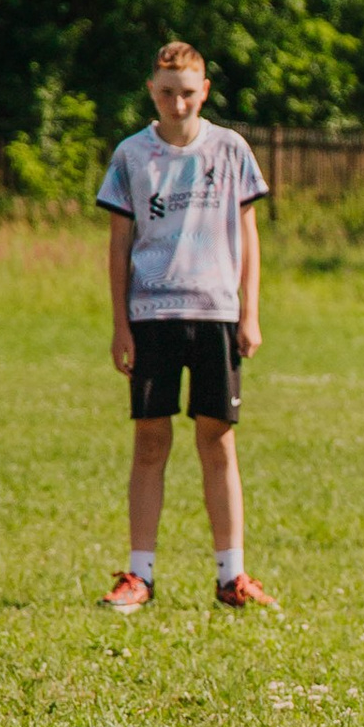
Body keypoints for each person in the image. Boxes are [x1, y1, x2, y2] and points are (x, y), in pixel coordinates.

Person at [96, 42, 277, 612]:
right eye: (168, 93)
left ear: (205, 92)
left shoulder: (230, 150)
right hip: (151, 316)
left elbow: (248, 233)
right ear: (152, 91)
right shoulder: (131, 156)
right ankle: (139, 575)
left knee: (217, 440)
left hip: (216, 313)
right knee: (150, 441)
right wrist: (120, 324)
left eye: (188, 93)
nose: (178, 104)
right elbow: (119, 244)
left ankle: (232, 576)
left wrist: (249, 311)